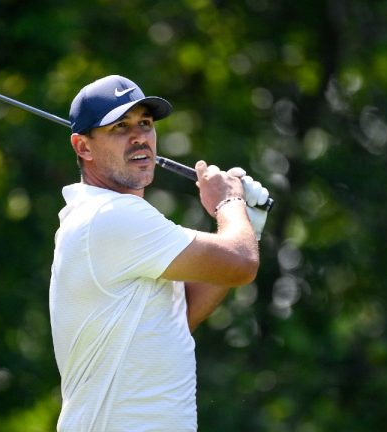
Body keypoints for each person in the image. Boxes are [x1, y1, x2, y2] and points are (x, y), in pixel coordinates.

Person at [48, 75, 270, 431]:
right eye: (120, 127)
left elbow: (179, 319)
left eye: (145, 124)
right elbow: (242, 264)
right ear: (83, 147)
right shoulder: (109, 216)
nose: (139, 137)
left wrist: (249, 224)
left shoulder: (115, 219)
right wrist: (229, 202)